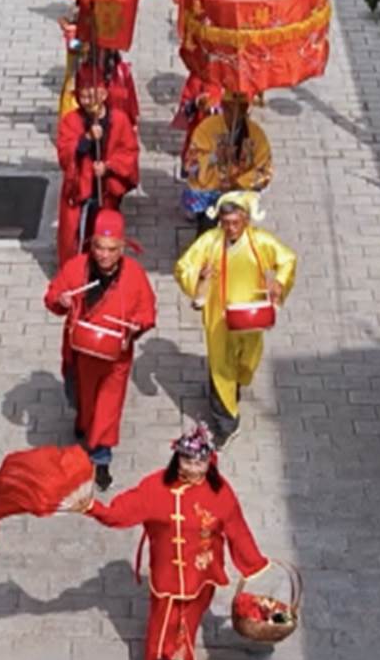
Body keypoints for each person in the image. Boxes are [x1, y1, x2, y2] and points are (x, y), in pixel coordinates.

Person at [86, 422, 269, 660]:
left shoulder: (220, 491)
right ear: (177, 459)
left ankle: (182, 654)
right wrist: (94, 508)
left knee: (191, 615)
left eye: (199, 463)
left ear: (209, 462)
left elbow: (237, 528)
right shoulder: (154, 487)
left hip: (202, 571)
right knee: (163, 617)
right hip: (167, 570)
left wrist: (253, 562)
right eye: (187, 461)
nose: (193, 469)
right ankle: (157, 658)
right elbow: (121, 511)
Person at [44, 208, 157, 488]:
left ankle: (101, 459)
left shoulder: (135, 276)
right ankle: (84, 423)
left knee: (106, 409)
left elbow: (147, 313)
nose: (103, 255)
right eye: (98, 248)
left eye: (110, 249)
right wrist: (62, 301)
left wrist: (137, 326)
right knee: (78, 397)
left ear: (121, 248)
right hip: (79, 353)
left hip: (113, 359)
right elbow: (52, 297)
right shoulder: (76, 268)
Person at [174, 190, 297, 440]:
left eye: (235, 222)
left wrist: (280, 284)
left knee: (247, 360)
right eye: (226, 223)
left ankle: (232, 387)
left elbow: (288, 259)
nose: (230, 228)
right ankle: (226, 422)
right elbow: (183, 266)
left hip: (251, 316)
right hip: (219, 316)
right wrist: (199, 277)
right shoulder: (209, 242)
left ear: (246, 220)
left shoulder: (261, 242)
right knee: (221, 365)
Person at [55, 70, 140, 266]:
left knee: (105, 236)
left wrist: (109, 167)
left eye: (91, 95)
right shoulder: (71, 121)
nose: (86, 101)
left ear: (103, 94)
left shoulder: (119, 119)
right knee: (76, 235)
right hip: (80, 192)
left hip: (107, 191)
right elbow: (64, 154)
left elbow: (129, 151)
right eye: (82, 96)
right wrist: (86, 139)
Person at [180, 91, 271, 227]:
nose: (233, 113)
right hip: (210, 189)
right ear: (223, 106)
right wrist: (214, 156)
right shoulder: (207, 127)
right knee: (207, 226)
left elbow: (264, 169)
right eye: (229, 108)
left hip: (240, 192)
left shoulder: (257, 134)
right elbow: (191, 162)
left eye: (240, 108)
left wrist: (238, 183)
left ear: (246, 109)